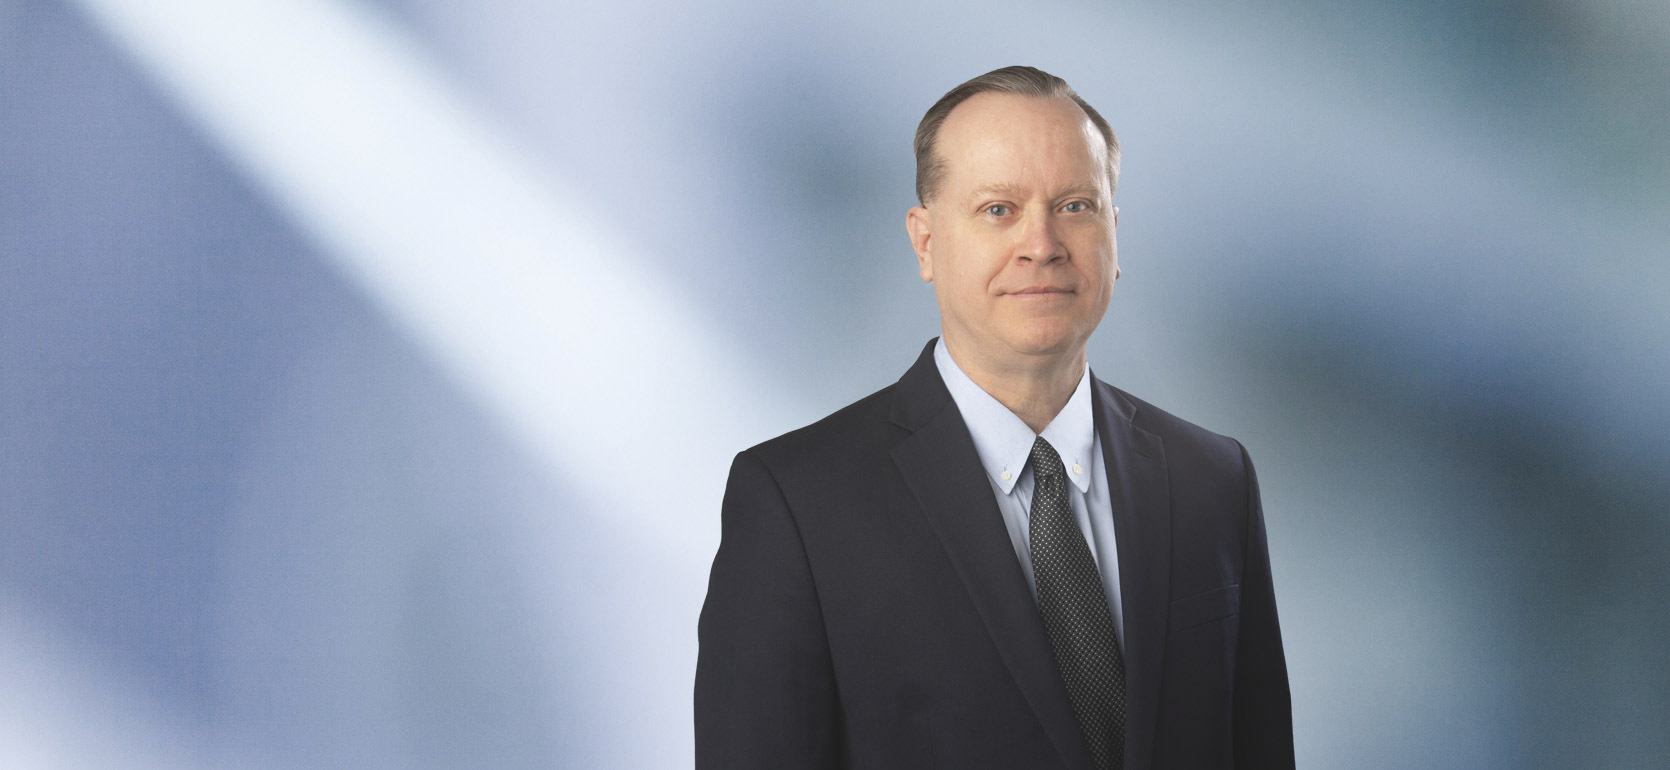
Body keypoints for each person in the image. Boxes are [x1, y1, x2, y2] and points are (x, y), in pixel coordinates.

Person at [695, 65, 1293, 769]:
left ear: (1114, 235)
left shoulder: (1213, 481)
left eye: (1076, 206)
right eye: (998, 210)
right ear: (924, 242)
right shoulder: (799, 500)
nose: (1041, 244)